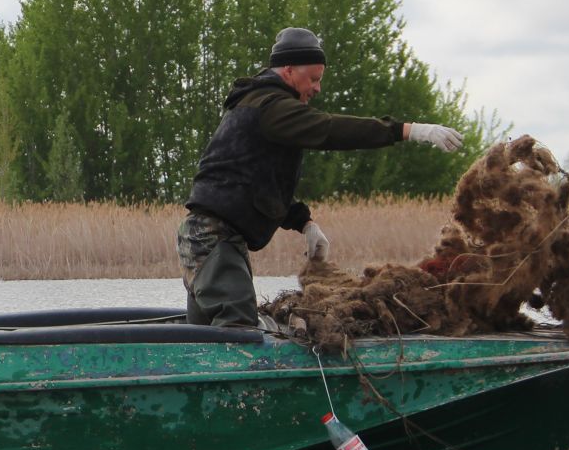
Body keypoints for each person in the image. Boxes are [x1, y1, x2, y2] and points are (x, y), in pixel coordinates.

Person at [178, 26, 465, 329]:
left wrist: (304, 222)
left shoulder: (260, 107)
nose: (317, 89)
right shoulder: (270, 107)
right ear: (288, 71)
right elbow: (329, 129)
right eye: (313, 79)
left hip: (212, 239)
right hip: (212, 238)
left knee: (205, 334)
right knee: (238, 331)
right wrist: (406, 130)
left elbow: (251, 183)